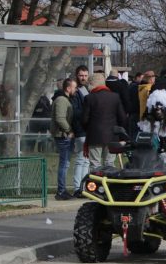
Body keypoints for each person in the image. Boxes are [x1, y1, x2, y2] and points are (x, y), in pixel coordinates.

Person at [82, 73, 127, 169]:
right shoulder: (115, 97)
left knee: (95, 165)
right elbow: (122, 118)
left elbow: (84, 119)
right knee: (109, 164)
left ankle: (96, 179)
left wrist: (88, 129)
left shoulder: (89, 98)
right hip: (112, 136)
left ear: (91, 84)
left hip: (94, 136)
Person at [50, 78, 76, 200]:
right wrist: (69, 130)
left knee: (65, 163)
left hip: (64, 135)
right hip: (62, 135)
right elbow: (60, 118)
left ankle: (62, 190)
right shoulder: (61, 99)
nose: (75, 90)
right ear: (68, 88)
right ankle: (61, 191)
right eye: (74, 87)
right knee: (64, 164)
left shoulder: (65, 99)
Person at [71, 65, 91, 195]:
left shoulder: (87, 90)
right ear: (76, 76)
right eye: (81, 75)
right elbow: (75, 111)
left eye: (85, 75)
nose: (83, 78)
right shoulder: (76, 92)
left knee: (86, 160)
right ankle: (77, 187)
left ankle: (83, 187)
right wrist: (87, 112)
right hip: (80, 129)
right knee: (80, 159)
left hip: (88, 130)